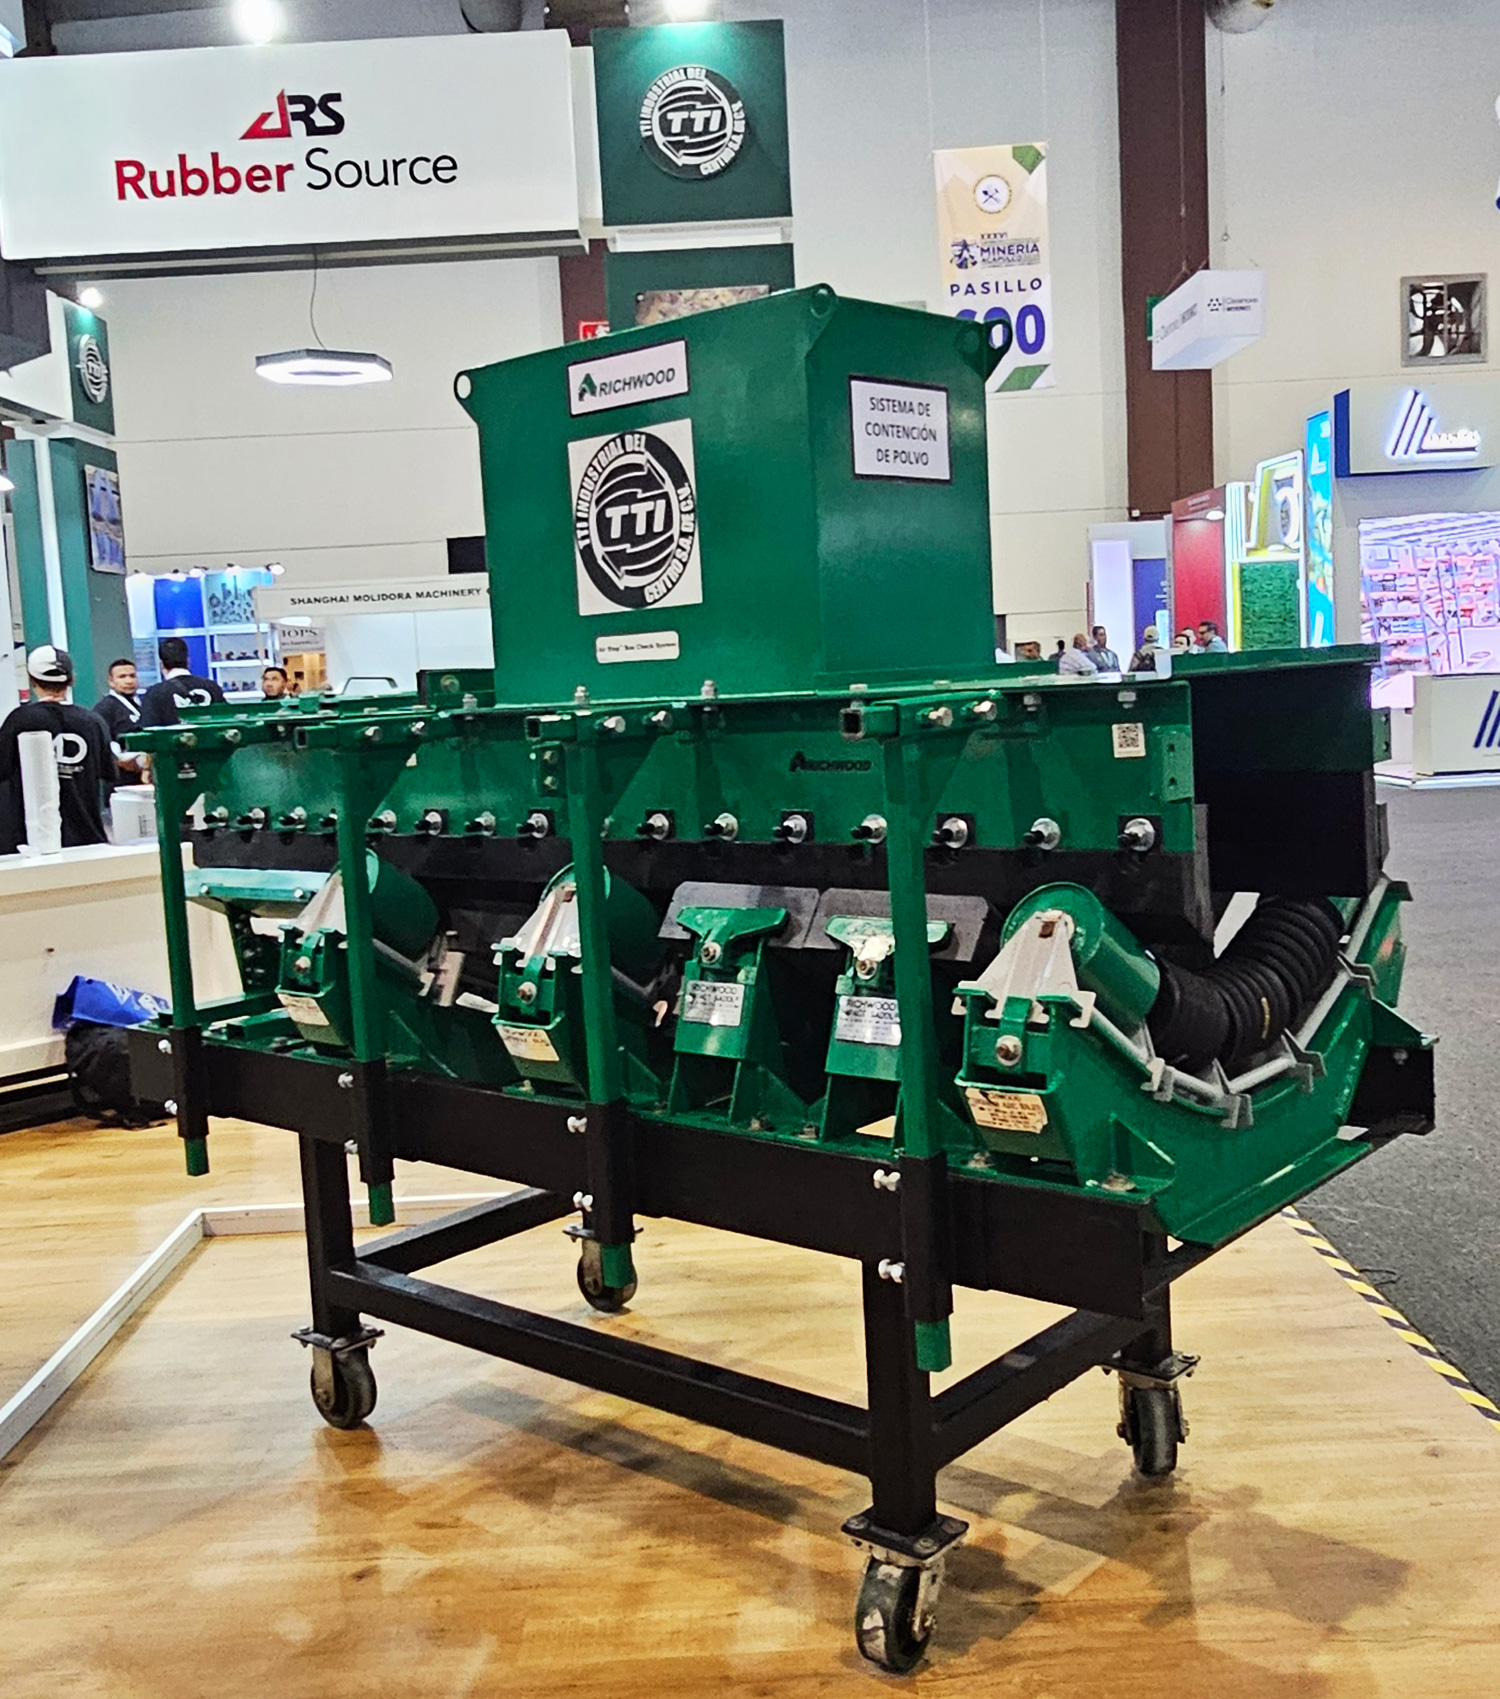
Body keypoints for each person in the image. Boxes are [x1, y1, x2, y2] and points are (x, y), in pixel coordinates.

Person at [0, 646, 115, 852]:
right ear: (72, 680)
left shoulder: (19, 720)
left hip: (31, 842)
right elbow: (108, 773)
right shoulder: (93, 722)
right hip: (88, 838)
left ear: (32, 680)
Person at [138, 636, 226, 728]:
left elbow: (149, 729)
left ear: (161, 664)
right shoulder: (212, 687)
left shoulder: (154, 694)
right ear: (188, 660)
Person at [92, 656, 144, 778]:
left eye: (132, 676)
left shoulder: (141, 705)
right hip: (121, 779)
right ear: (111, 681)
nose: (129, 681)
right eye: (122, 677)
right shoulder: (105, 708)